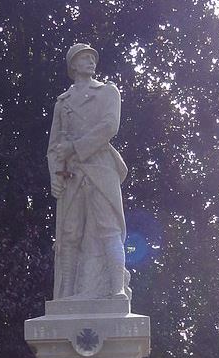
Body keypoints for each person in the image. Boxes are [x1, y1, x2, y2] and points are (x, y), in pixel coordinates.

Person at [47, 43, 130, 300]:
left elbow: (109, 126)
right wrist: (54, 176)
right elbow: (53, 148)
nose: (90, 61)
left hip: (101, 167)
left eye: (92, 57)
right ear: (73, 65)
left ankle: (116, 289)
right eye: (84, 58)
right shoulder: (63, 103)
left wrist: (75, 147)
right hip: (71, 174)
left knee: (109, 228)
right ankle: (67, 293)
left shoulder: (107, 92)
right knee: (70, 234)